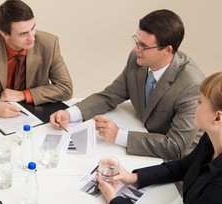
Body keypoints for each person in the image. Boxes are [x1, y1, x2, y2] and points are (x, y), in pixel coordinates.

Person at [50, 9, 205, 161]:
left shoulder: (191, 86)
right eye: (137, 41)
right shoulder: (138, 59)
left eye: (143, 45)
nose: (136, 49)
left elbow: (175, 147)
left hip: (178, 160)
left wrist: (119, 135)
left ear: (167, 50)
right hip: (144, 135)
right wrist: (70, 114)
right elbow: (110, 95)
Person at [96, 72, 222, 204]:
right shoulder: (211, 137)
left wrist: (115, 201)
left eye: (200, 101)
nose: (194, 103)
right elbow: (183, 166)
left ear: (218, 117)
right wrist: (133, 177)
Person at [0, 0, 73, 118]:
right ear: (4, 34)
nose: (32, 38)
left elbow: (65, 88)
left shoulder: (49, 43)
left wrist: (23, 95)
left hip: (36, 112)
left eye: (33, 28)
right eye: (23, 33)